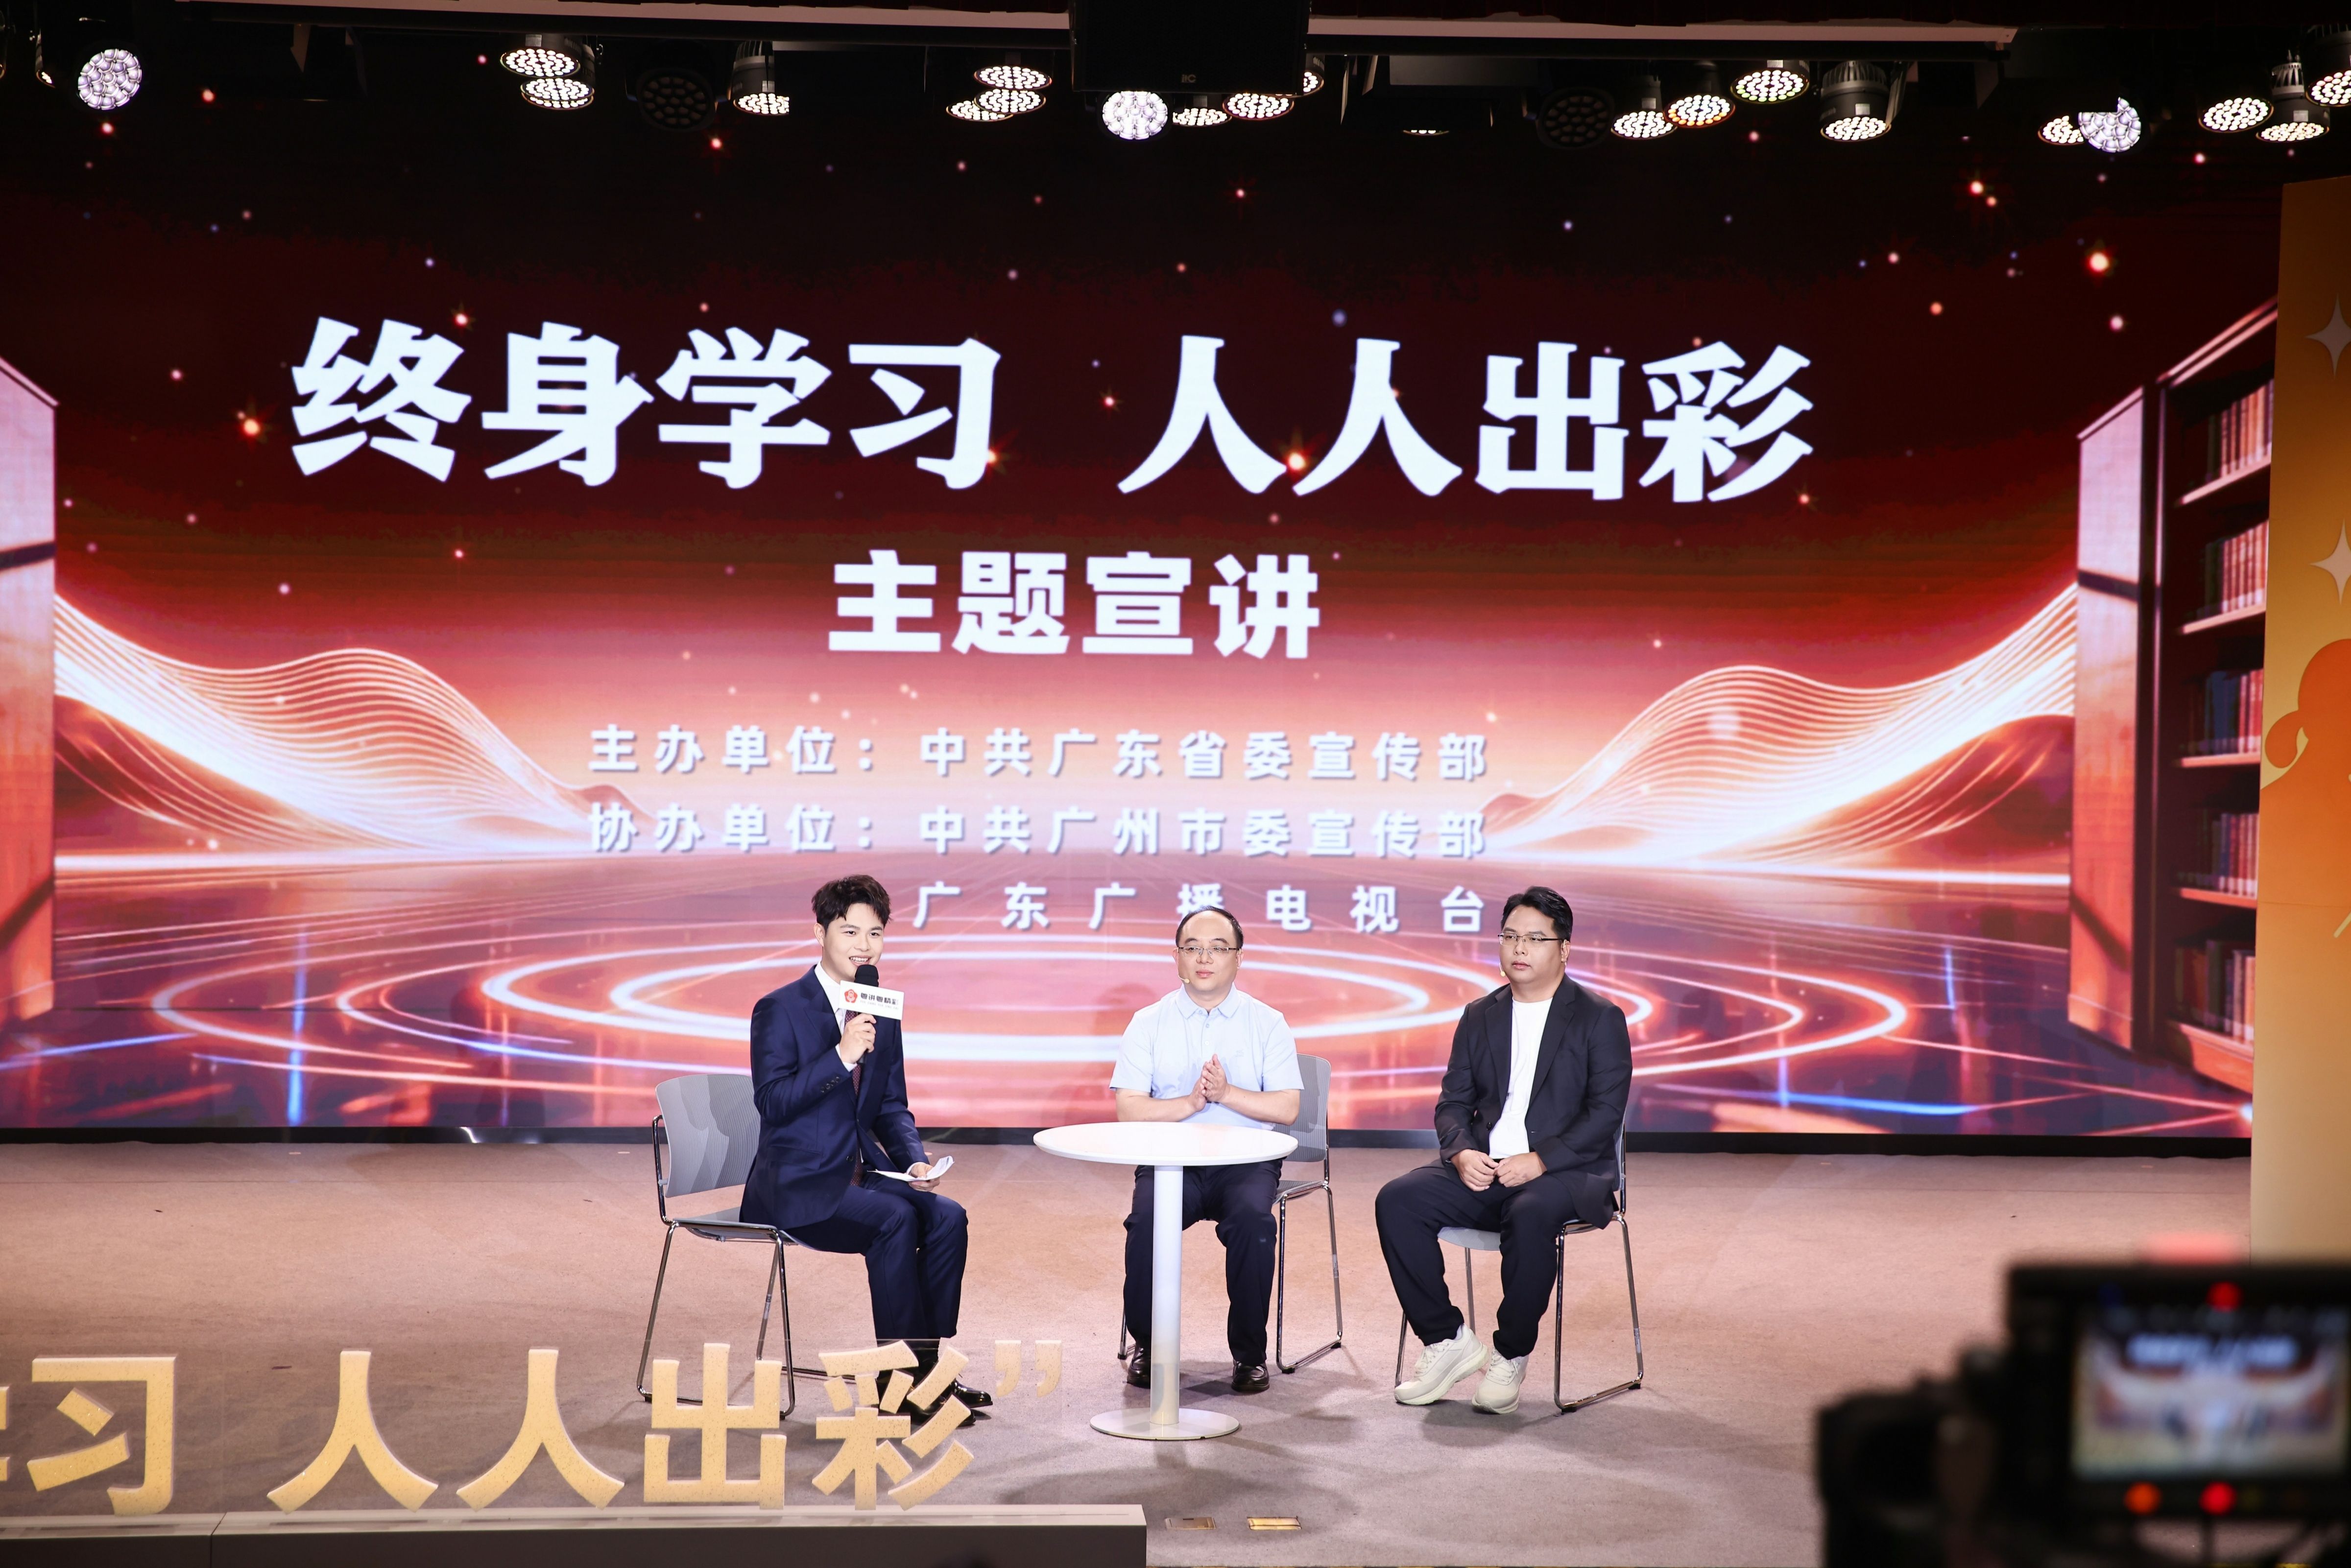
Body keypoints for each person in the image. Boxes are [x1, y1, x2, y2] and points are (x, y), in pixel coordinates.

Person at [1375, 885, 1631, 1415]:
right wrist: (1461, 1152)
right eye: (1510, 936)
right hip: (1488, 1166)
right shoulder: (1480, 1015)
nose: (1519, 948)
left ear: (1564, 949)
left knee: (1530, 1211)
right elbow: (1453, 1103)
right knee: (1398, 1200)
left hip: (1565, 1172)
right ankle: (1447, 1340)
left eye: (1535, 938)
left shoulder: (1598, 1017)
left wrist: (1541, 1160)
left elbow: (1605, 1114)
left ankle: (1511, 1353)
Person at [740, 874, 990, 1412]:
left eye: (875, 934)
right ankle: (899, 1381)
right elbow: (773, 1103)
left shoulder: (881, 1008)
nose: (864, 946)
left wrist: (915, 1161)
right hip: (796, 1184)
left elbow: (891, 1105)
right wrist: (840, 1056)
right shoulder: (780, 1008)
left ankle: (927, 1369)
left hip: (860, 1175)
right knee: (895, 1220)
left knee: (947, 1217)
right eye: (850, 932)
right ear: (820, 933)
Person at [1109, 904, 1303, 1395]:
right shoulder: (1148, 1022)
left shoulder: (1268, 1022)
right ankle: (1150, 1346)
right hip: (1171, 1159)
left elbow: (1287, 1108)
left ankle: (1250, 1355)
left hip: (1246, 1162)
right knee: (1146, 1223)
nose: (1204, 958)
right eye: (1193, 947)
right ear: (1176, 956)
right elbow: (1129, 1108)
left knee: (1254, 1225)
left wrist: (1227, 1094)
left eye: (1218, 948)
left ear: (1238, 958)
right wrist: (1190, 1104)